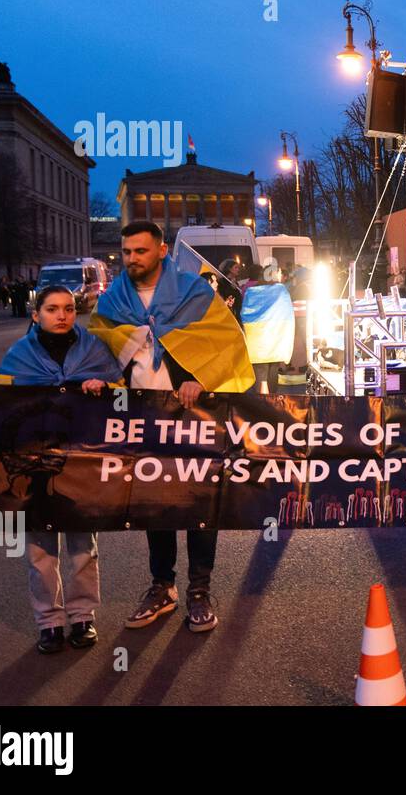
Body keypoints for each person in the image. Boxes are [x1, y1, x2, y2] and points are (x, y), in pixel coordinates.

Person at [90, 221, 254, 635]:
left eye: (140, 252)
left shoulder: (195, 292)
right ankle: (162, 587)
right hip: (143, 415)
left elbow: (227, 341)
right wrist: (98, 378)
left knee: (200, 501)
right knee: (153, 503)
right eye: (127, 252)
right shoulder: (113, 299)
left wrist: (203, 376)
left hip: (194, 412)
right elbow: (97, 347)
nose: (131, 259)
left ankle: (199, 590)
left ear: (162, 251)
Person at [0, 286, 122, 653]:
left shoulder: (94, 349)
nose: (61, 315)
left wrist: (107, 387)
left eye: (67, 308)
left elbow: (124, 398)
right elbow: (2, 403)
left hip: (82, 458)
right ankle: (49, 622)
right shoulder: (20, 354)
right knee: (38, 548)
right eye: (52, 309)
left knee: (83, 542)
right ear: (36, 315)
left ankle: (82, 617)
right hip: (32, 460)